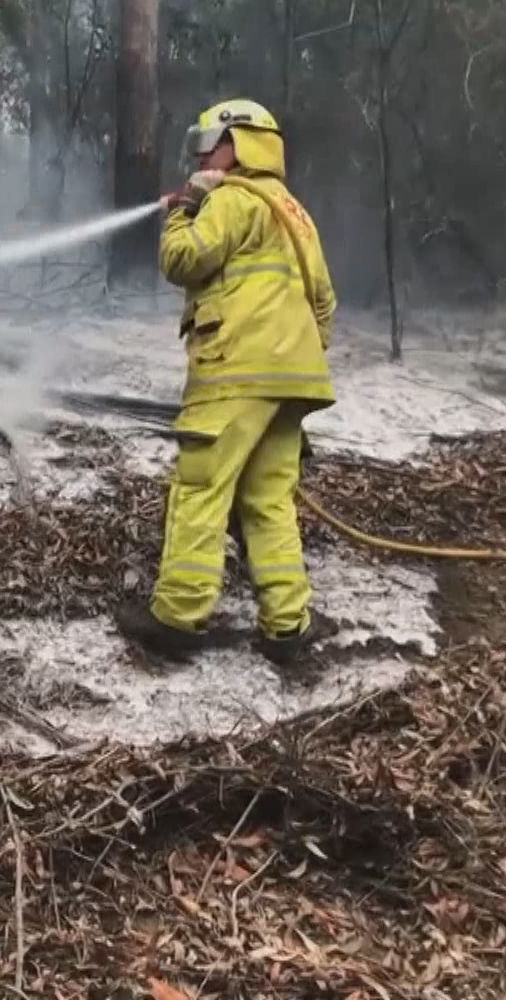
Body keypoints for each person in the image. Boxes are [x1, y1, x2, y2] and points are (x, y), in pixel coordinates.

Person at [116, 100, 339, 666]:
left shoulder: (234, 200)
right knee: (268, 499)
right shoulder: (294, 212)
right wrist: (290, 373)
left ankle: (177, 616)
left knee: (200, 485)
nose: (201, 156)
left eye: (209, 144)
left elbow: (185, 260)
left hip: (234, 368)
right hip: (292, 378)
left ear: (237, 144)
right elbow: (324, 303)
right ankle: (287, 624)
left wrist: (182, 211)